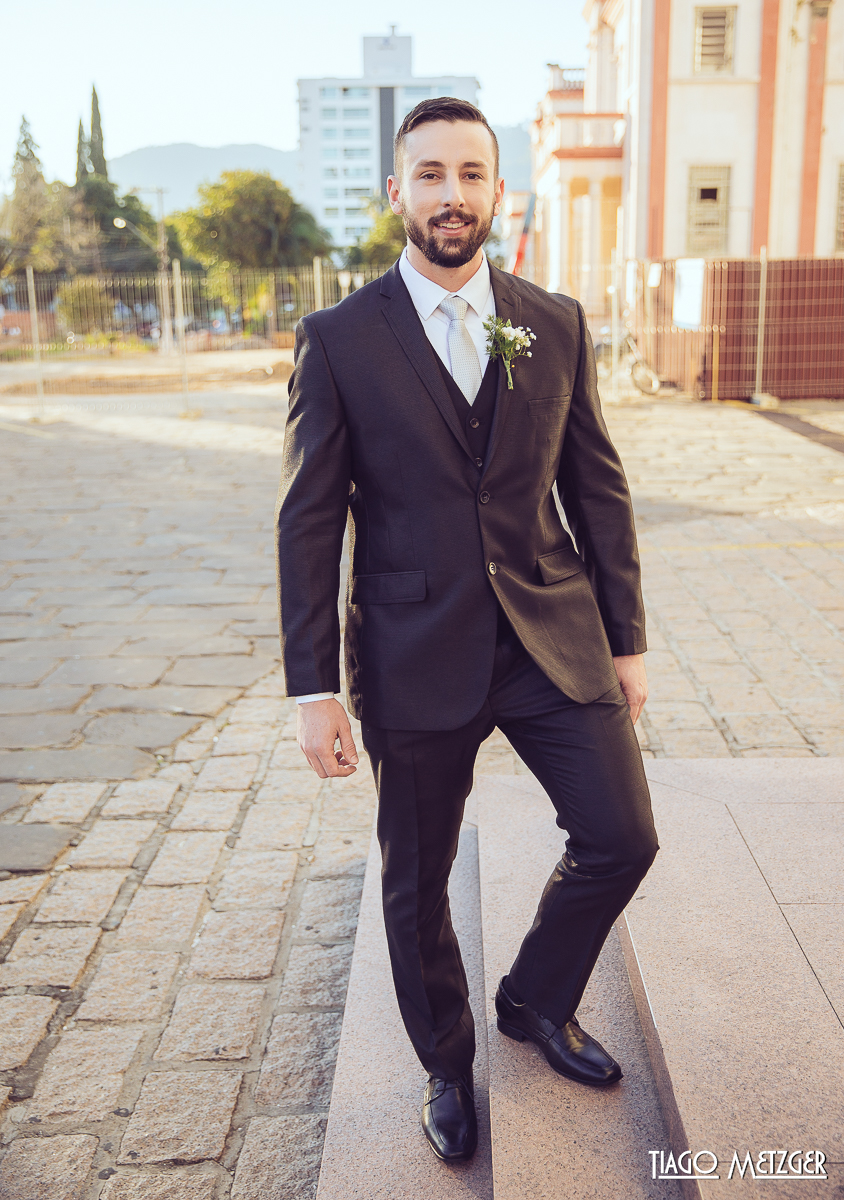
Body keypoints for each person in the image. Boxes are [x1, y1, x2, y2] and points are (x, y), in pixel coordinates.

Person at [275, 97, 658, 1164]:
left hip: (551, 632)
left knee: (622, 835)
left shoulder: (555, 319)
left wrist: (624, 641)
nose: (452, 194)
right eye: (430, 174)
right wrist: (314, 689)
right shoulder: (340, 340)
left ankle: (534, 1000)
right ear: (395, 192)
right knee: (413, 879)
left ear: (500, 192)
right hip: (412, 648)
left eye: (472, 175)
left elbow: (599, 492)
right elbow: (308, 523)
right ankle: (446, 1060)